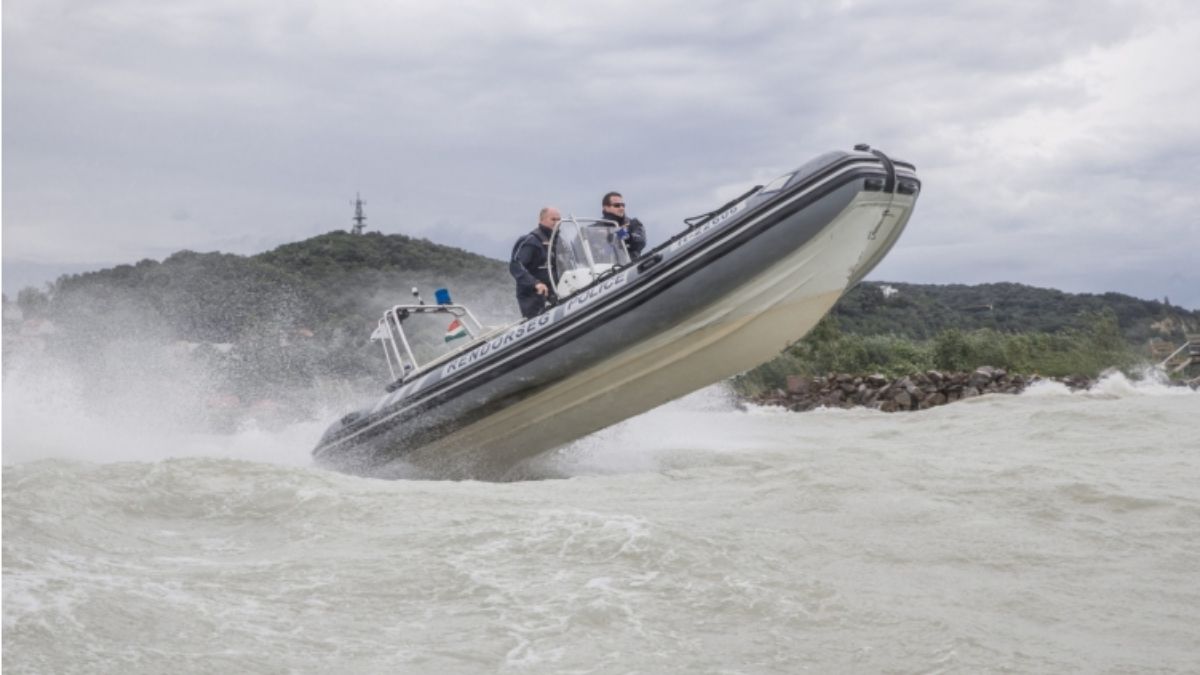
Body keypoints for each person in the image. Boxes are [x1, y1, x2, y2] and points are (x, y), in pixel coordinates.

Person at [509, 206, 561, 319]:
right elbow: (516, 265)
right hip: (534, 296)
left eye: (559, 219)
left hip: (557, 292)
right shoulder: (531, 241)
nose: (557, 222)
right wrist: (535, 283)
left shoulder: (560, 242)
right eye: (553, 219)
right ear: (541, 220)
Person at [600, 191, 647, 261]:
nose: (621, 208)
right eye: (617, 205)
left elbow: (640, 242)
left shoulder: (633, 224)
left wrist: (621, 233)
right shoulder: (595, 229)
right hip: (607, 269)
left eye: (623, 205)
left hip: (631, 266)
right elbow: (600, 254)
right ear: (606, 208)